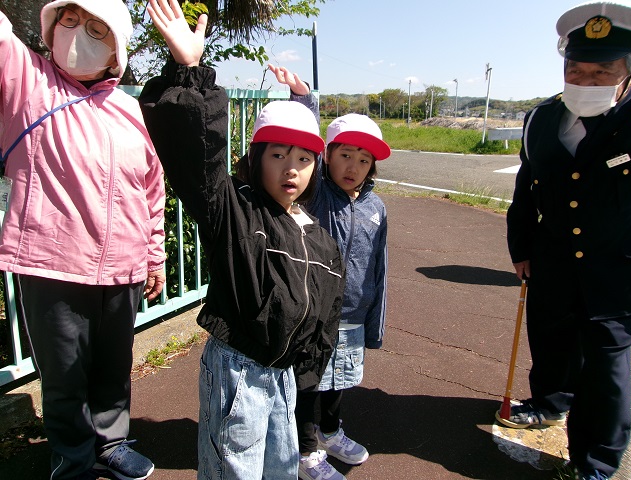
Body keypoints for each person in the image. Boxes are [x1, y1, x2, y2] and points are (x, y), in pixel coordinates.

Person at [138, 1, 344, 479]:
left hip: (284, 376)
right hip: (239, 372)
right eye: (278, 155)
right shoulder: (235, 209)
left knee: (280, 470)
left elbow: (326, 312)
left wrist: (308, 373)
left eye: (304, 159)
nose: (291, 168)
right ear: (256, 158)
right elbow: (199, 155)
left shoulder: (318, 236)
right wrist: (190, 71)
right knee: (234, 471)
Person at [0, 0, 166, 479]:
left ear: (117, 52)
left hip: (124, 265)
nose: (77, 33)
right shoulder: (28, 82)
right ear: (51, 29)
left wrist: (153, 255)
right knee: (64, 374)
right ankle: (71, 458)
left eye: (96, 28)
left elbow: (151, 187)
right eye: (69, 20)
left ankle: (111, 442)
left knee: (113, 366)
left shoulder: (130, 109)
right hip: (51, 263)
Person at [498, 1, 631, 478]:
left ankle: (595, 462)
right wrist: (521, 248)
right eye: (576, 69)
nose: (585, 80)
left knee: (605, 368)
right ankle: (550, 403)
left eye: (602, 72)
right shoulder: (542, 118)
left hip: (620, 268)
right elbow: (526, 187)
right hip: (553, 256)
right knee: (551, 340)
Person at [268, 65, 390, 480]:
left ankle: (331, 431)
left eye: (364, 159)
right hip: (314, 314)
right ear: (327, 157)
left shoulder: (376, 207)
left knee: (339, 380)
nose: (353, 166)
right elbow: (306, 142)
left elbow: (380, 267)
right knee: (308, 383)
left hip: (353, 314)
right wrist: (304, 99)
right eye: (345, 155)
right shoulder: (317, 191)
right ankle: (304, 452)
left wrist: (374, 321)